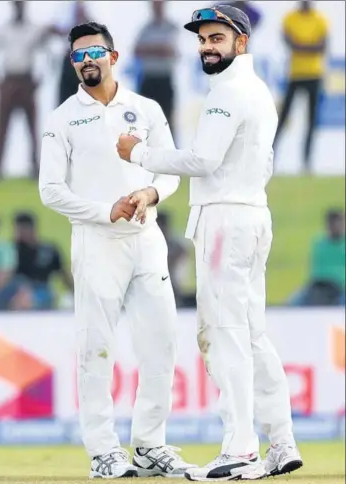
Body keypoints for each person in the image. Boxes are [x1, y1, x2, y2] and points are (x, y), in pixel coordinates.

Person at [117, 5, 303, 481]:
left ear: (242, 42)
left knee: (225, 336)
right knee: (251, 334)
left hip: (225, 220)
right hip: (249, 214)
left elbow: (202, 159)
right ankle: (281, 443)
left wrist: (139, 152)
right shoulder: (257, 91)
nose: (206, 46)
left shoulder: (227, 94)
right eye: (202, 39)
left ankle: (240, 448)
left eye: (217, 38)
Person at [38, 21, 195, 480]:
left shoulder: (145, 108)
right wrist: (103, 211)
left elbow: (169, 170)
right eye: (78, 56)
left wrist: (150, 195)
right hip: (96, 241)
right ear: (72, 64)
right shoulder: (63, 117)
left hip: (146, 240)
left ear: (114, 56)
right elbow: (49, 190)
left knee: (162, 343)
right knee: (96, 349)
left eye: (94, 53)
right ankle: (104, 452)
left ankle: (149, 446)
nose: (87, 61)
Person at [0, 1, 49, 179]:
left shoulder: (34, 30)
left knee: (31, 127)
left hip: (26, 81)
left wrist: (40, 77)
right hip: (9, 80)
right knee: (2, 126)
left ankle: (35, 167)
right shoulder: (4, 29)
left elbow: (47, 54)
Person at [273, 0, 329, 172]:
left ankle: (306, 163)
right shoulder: (290, 18)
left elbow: (322, 47)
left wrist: (300, 46)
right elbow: (290, 43)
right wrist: (309, 47)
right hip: (295, 74)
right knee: (282, 119)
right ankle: (270, 159)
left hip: (314, 74)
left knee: (311, 121)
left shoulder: (320, 19)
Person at [0, 212, 73, 311]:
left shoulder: (49, 250)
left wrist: (74, 292)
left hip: (41, 287)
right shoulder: (12, 249)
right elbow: (6, 275)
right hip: (15, 286)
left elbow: (63, 274)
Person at [133, 0, 178, 135]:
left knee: (167, 122)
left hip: (164, 81)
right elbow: (137, 51)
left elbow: (170, 52)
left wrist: (150, 49)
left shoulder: (171, 28)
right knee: (145, 122)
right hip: (148, 81)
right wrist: (159, 49)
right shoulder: (145, 29)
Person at [289, 209, 345, 306]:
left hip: (339, 288)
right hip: (318, 285)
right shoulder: (319, 244)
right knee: (293, 303)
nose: (336, 227)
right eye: (332, 223)